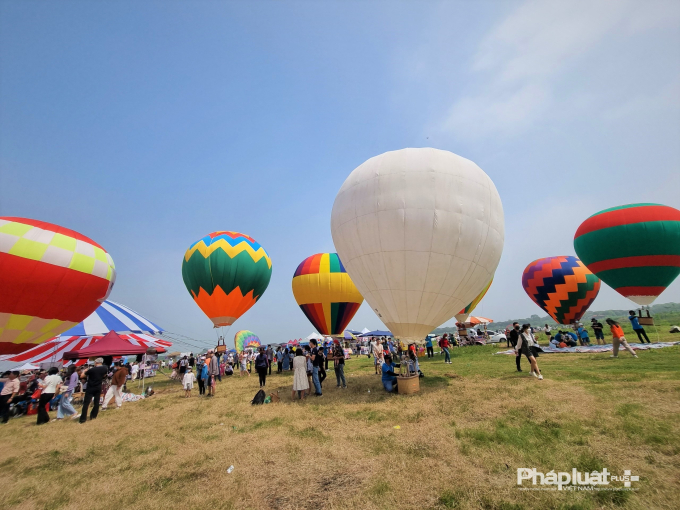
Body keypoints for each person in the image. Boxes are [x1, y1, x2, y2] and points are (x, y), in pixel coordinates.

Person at [79, 358, 109, 423]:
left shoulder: (92, 370)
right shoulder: (104, 369)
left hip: (90, 387)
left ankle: (83, 418)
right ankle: (93, 415)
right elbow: (104, 376)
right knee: (96, 402)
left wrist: (84, 370)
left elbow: (82, 376)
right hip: (98, 386)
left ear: (96, 362)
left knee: (86, 403)